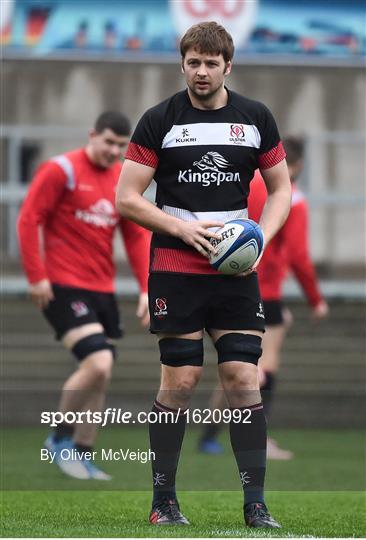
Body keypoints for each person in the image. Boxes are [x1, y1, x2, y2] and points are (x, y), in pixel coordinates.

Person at [116, 22, 291, 528]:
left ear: (227, 66)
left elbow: (280, 190)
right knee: (182, 381)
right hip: (175, 265)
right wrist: (179, 228)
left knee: (242, 378)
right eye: (193, 62)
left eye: (211, 63)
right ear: (183, 64)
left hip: (235, 272)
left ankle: (255, 504)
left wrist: (260, 239)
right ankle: (163, 501)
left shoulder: (255, 118)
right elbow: (126, 199)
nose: (201, 71)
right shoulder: (159, 120)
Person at [17, 111, 151, 480]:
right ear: (92, 135)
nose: (113, 151)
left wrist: (145, 288)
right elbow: (30, 219)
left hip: (102, 289)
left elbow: (136, 237)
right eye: (108, 142)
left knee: (102, 375)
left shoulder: (121, 181)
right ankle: (58, 439)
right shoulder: (61, 170)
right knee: (99, 361)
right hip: (63, 284)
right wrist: (36, 276)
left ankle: (83, 452)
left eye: (121, 146)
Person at [198, 136, 329, 459]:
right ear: (295, 166)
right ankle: (259, 439)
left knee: (237, 368)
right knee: (262, 366)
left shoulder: (245, 182)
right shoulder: (291, 199)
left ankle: (209, 435)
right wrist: (316, 300)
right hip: (262, 288)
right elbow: (299, 255)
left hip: (219, 280)